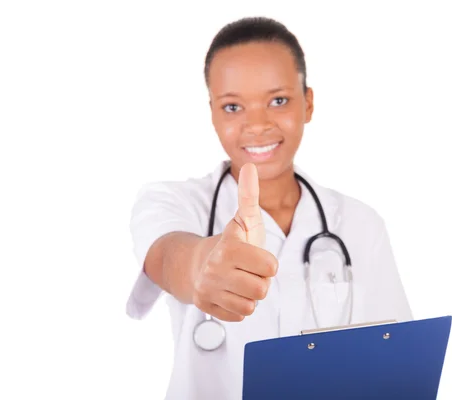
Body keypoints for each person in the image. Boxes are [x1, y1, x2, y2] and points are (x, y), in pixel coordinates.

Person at [126, 16, 412, 400]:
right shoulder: (171, 201)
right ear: (211, 112)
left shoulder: (361, 224)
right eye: (232, 107)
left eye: (278, 100)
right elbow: (169, 257)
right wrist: (202, 267)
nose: (257, 124)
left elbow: (396, 361)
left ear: (308, 103)